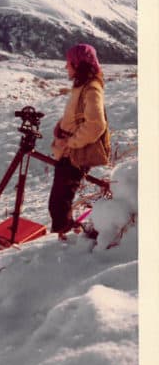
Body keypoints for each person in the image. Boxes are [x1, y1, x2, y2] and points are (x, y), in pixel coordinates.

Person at [49, 44, 110, 240]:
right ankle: (66, 234)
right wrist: (61, 125)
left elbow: (96, 124)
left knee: (59, 202)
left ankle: (68, 239)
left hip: (76, 153)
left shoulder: (91, 88)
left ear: (78, 64)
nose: (66, 67)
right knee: (59, 201)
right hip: (70, 150)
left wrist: (71, 142)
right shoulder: (82, 85)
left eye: (69, 63)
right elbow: (78, 115)